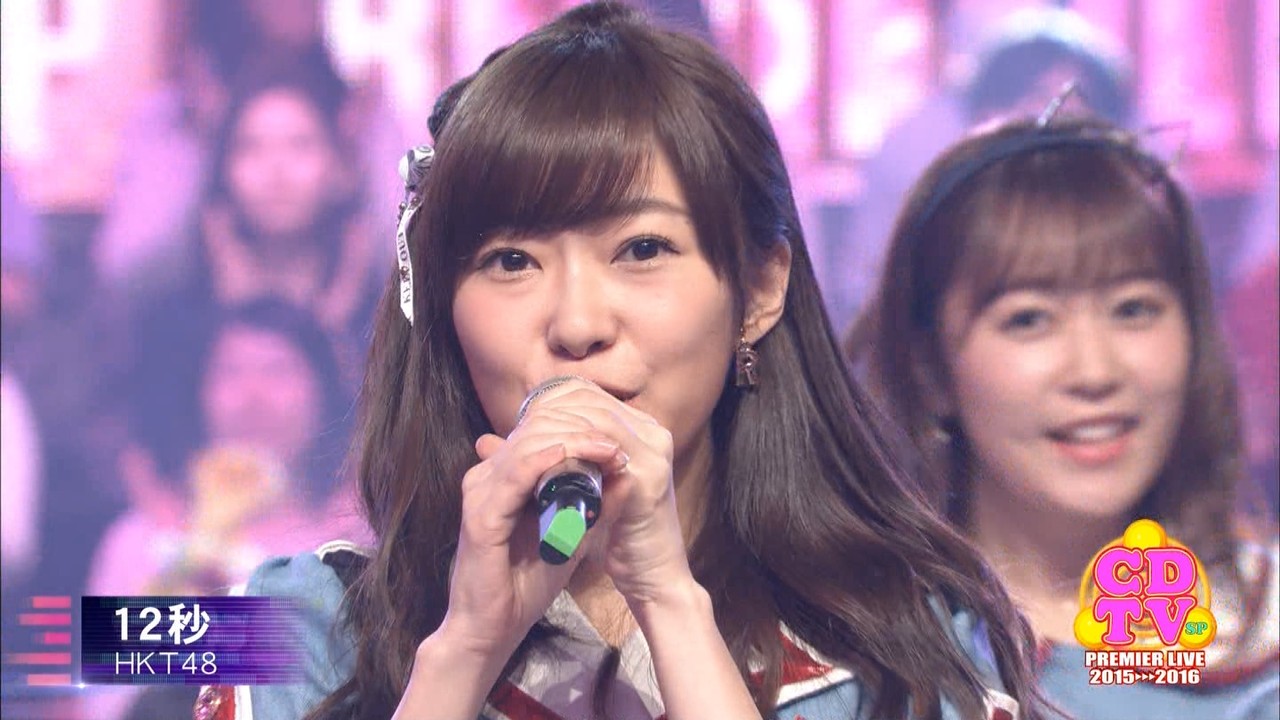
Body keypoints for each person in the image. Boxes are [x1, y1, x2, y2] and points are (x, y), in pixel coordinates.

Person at [197, 4, 1045, 719]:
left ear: (759, 288)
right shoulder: (291, 619)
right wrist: (462, 650)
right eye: (511, 260)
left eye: (641, 249)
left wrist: (670, 601)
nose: (577, 324)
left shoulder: (909, 631)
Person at [846, 111, 1279, 719]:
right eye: (1029, 319)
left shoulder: (1262, 623)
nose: (1095, 371)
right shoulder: (859, 655)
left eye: (1133, 308)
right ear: (930, 369)